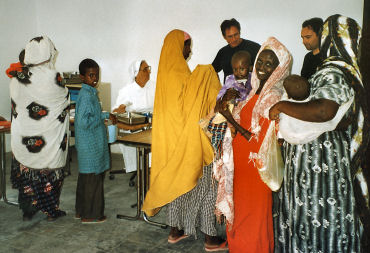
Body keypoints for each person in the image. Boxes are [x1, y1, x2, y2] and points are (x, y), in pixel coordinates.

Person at [269, 15, 368, 252]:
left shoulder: (334, 71)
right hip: (323, 162)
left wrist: (282, 106)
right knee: (322, 216)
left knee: (316, 215)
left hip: (319, 166)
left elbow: (325, 110)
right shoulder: (345, 70)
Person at [142, 29, 227, 251]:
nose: (189, 50)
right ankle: (210, 237)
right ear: (179, 46)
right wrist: (207, 73)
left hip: (171, 143)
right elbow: (196, 105)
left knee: (176, 184)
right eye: (187, 45)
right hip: (191, 142)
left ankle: (175, 231)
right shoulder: (184, 75)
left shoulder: (165, 76)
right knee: (208, 186)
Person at [217, 37, 292, 252]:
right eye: (260, 61)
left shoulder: (274, 96)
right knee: (240, 214)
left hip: (255, 169)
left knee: (255, 215)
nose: (262, 67)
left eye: (269, 64)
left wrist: (232, 122)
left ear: (278, 68)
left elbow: (263, 138)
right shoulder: (253, 92)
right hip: (240, 167)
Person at [9, 36, 69, 221]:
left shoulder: (17, 77)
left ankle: (28, 208)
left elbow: (17, 105)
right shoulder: (54, 77)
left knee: (27, 174)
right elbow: (64, 98)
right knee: (48, 175)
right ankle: (50, 210)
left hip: (23, 138)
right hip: (48, 139)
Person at [74, 58, 116, 224]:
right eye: (91, 75)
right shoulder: (86, 95)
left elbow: (90, 115)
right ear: (82, 77)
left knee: (86, 178)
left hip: (88, 144)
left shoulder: (89, 93)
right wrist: (102, 117)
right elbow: (83, 122)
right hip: (90, 145)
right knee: (93, 179)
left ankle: (80, 210)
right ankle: (90, 214)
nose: (95, 79)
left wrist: (104, 115)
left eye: (96, 75)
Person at [202, 50, 252, 159]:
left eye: (242, 69)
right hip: (231, 107)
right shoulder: (231, 79)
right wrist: (225, 97)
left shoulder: (253, 79)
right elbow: (221, 95)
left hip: (244, 110)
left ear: (250, 68)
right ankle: (228, 130)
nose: (238, 72)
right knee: (226, 107)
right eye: (235, 69)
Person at [112, 60, 155, 173]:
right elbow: (115, 112)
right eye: (145, 69)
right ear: (136, 73)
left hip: (152, 125)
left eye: (148, 68)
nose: (149, 71)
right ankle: (142, 171)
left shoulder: (154, 87)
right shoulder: (127, 91)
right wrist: (120, 109)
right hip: (134, 129)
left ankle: (149, 171)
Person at [212, 18, 261, 83]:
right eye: (230, 36)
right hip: (229, 91)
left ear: (239, 32)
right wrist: (218, 87)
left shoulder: (254, 47)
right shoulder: (222, 52)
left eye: (236, 34)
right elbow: (212, 71)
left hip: (251, 90)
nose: (234, 39)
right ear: (224, 37)